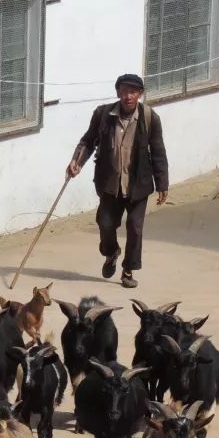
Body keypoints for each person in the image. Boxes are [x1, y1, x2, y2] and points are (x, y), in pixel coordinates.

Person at [67, 74, 168, 289]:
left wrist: (162, 184)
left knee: (134, 227)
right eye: (124, 91)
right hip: (110, 184)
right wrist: (77, 162)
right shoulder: (104, 115)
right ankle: (111, 252)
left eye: (133, 92)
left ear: (139, 95)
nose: (128, 96)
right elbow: (88, 141)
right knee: (105, 224)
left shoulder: (150, 118)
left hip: (137, 185)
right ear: (118, 93)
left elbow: (158, 152)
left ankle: (128, 270)